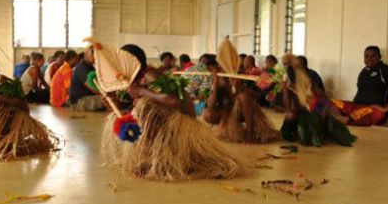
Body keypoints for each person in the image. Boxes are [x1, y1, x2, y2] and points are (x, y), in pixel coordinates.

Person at [101, 46, 250, 181]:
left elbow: (173, 101)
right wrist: (114, 102)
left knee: (145, 109)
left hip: (183, 122)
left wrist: (141, 91)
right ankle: (149, 159)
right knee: (131, 113)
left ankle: (154, 161)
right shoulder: (133, 79)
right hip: (170, 120)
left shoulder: (150, 74)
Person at [280, 61, 357, 147]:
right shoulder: (288, 88)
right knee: (291, 115)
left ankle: (335, 120)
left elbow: (323, 98)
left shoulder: (310, 83)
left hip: (317, 109)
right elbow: (289, 109)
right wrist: (286, 91)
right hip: (302, 113)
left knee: (327, 108)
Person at [330, 46, 388, 126]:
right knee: (329, 101)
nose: (369, 59)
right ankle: (339, 117)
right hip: (357, 106)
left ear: (379, 57)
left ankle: (346, 119)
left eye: (373, 56)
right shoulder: (364, 72)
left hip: (373, 109)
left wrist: (386, 108)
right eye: (366, 56)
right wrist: (351, 106)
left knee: (373, 113)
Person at [203, 68, 279, 144]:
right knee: (208, 114)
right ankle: (236, 130)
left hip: (246, 114)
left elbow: (258, 96)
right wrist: (215, 84)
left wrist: (240, 86)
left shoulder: (243, 83)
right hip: (229, 118)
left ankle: (250, 133)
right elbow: (210, 107)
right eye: (225, 79)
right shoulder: (220, 87)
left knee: (243, 97)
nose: (229, 80)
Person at [69, 46, 104, 111]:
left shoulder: (91, 67)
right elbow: (93, 88)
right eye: (93, 53)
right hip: (78, 103)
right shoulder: (82, 68)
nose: (96, 55)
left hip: (88, 98)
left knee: (110, 99)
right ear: (86, 54)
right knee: (106, 100)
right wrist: (107, 94)